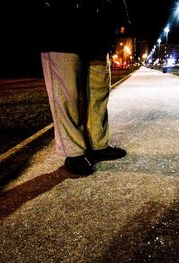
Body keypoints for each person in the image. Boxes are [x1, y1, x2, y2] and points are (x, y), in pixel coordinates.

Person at [36, 0, 130, 175]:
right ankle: (73, 152)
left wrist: (120, 16)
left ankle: (98, 145)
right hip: (61, 28)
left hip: (99, 29)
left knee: (98, 93)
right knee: (67, 95)